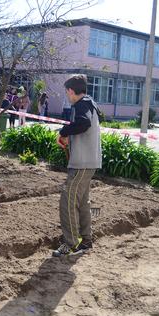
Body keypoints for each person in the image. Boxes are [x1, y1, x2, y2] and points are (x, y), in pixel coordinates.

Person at [53, 75, 101, 257]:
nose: (67, 95)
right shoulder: (90, 103)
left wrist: (64, 132)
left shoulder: (82, 104)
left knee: (67, 200)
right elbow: (84, 126)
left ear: (71, 91)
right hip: (87, 162)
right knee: (82, 202)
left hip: (82, 163)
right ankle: (86, 241)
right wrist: (69, 137)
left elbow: (83, 123)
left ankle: (70, 243)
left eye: (67, 92)